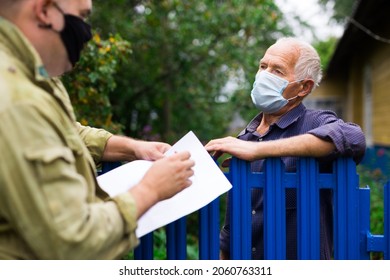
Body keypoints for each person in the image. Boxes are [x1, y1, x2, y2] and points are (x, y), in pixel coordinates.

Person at [0, 0, 194, 259]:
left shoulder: (29, 75)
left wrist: (133, 147)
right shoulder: (17, 99)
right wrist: (151, 189)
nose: (87, 33)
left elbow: (62, 131)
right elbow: (72, 242)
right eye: (81, 16)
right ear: (44, 11)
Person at [205, 37, 366, 260]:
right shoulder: (246, 137)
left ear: (304, 87)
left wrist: (259, 151)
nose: (264, 75)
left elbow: (353, 138)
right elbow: (232, 224)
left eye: (278, 71)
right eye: (263, 66)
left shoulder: (314, 122)